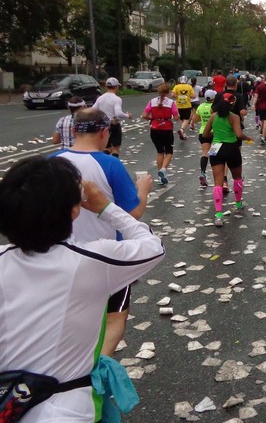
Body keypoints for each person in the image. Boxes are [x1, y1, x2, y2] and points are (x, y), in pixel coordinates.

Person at [0, 155, 164, 423]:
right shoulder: (90, 261)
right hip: (66, 410)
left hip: (8, 404)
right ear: (74, 211)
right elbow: (154, 247)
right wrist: (106, 207)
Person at [54, 108, 153, 357]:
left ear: (74, 130)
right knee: (115, 316)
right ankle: (98, 365)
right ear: (104, 132)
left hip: (58, 253)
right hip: (105, 256)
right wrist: (143, 190)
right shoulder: (110, 164)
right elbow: (133, 214)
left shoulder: (51, 162)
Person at [202, 93, 252, 227]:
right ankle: (238, 203)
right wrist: (248, 138)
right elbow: (239, 134)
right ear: (232, 104)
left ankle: (218, 215)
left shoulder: (213, 116)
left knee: (217, 182)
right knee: (237, 177)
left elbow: (205, 134)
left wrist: (217, 133)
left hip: (216, 148)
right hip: (231, 148)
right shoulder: (234, 117)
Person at [141, 83, 179, 185]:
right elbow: (176, 117)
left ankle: (160, 176)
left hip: (154, 128)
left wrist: (152, 118)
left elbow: (144, 115)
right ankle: (163, 169)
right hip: (166, 128)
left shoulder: (152, 101)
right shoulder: (171, 102)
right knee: (169, 152)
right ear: (168, 92)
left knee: (160, 151)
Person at [92, 77, 132, 158]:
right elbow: (118, 113)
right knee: (115, 148)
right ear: (116, 86)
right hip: (114, 123)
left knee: (107, 147)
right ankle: (114, 162)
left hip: (103, 124)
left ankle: (102, 160)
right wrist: (127, 115)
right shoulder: (116, 99)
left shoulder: (100, 98)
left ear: (106, 86)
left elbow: (93, 109)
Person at [192, 89, 217, 187]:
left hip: (203, 132)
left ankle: (202, 172)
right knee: (214, 154)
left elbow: (195, 119)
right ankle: (217, 176)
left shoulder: (201, 106)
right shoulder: (215, 107)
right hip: (215, 132)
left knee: (205, 153)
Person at [171, 75, 195, 140]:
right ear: (186, 80)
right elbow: (193, 96)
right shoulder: (189, 87)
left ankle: (183, 133)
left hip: (178, 106)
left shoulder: (176, 86)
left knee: (181, 119)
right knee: (187, 119)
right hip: (187, 105)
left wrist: (178, 96)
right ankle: (182, 130)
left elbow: (172, 95)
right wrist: (187, 96)